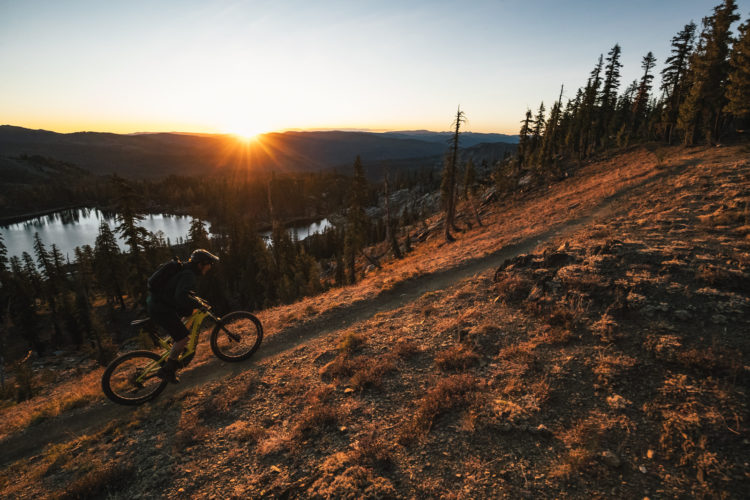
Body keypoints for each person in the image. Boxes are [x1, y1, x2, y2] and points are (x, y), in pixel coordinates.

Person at [147, 249, 219, 383]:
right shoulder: (189, 275)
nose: (210, 268)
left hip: (159, 304)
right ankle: (167, 370)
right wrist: (199, 304)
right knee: (183, 338)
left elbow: (183, 292)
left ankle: (177, 343)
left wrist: (197, 301)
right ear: (200, 264)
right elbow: (181, 296)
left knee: (190, 312)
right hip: (161, 309)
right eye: (209, 264)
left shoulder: (185, 269)